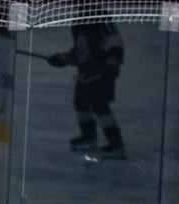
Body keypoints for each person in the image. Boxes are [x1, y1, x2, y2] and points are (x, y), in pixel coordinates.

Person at [48, 18, 125, 159]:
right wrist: (64, 58)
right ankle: (88, 137)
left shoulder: (102, 21)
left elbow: (116, 45)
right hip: (86, 73)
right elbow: (80, 49)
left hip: (103, 73)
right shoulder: (78, 23)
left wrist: (110, 63)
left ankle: (116, 145)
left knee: (100, 107)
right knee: (80, 103)